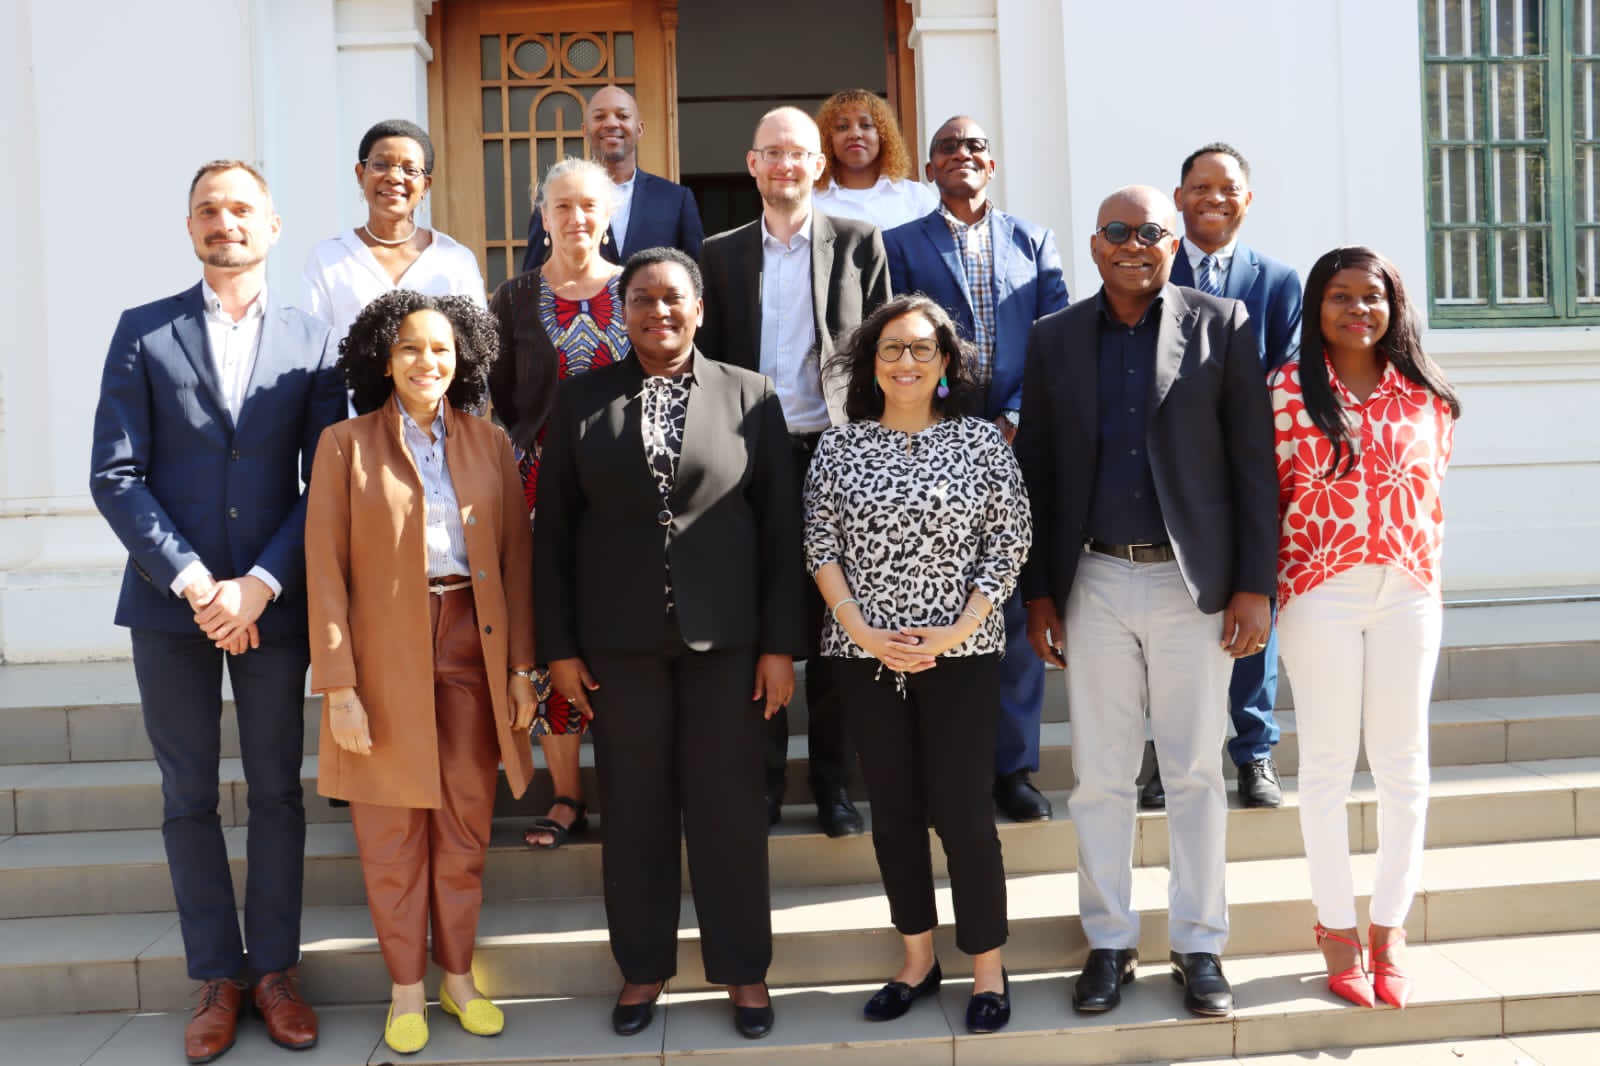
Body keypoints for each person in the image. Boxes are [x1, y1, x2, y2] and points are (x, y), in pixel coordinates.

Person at [89, 160, 345, 1064]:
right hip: (171, 610)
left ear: (272, 226)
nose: (224, 221)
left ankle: (275, 969)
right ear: (189, 225)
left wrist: (261, 585)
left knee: (277, 791)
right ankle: (217, 976)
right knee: (188, 796)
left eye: (241, 209)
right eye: (208, 209)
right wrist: (200, 583)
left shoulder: (316, 341)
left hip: (273, 605)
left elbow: (327, 481)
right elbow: (114, 474)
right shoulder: (142, 332)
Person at [1015, 186, 1277, 1020]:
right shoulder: (1054, 338)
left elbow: (1251, 464)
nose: (1135, 245)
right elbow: (1041, 474)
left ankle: (1200, 946)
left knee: (1198, 771)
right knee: (1100, 774)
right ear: (1095, 247)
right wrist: (1041, 593)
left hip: (1187, 584)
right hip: (1091, 579)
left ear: (1173, 242)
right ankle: (1111, 942)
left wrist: (1254, 584)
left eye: (1150, 232)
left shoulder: (1222, 323)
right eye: (1118, 233)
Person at [534, 247, 802, 1041]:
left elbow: (780, 533)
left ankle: (743, 970)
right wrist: (560, 649)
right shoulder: (580, 399)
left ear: (700, 308)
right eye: (643, 299)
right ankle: (643, 966)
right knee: (637, 812)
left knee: (729, 813)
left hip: (728, 645)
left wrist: (780, 645)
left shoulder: (750, 395)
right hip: (618, 646)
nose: (659, 312)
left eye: (673, 299)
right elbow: (552, 538)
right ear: (623, 311)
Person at [304, 290, 536, 1055]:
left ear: (462, 357)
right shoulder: (344, 444)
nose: (426, 361)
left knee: (466, 823)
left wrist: (521, 671)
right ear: (384, 357)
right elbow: (326, 571)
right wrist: (338, 684)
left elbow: (515, 564)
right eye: (410, 347)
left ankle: (458, 977)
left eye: (440, 348)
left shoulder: (490, 443)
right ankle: (406, 987)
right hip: (383, 654)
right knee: (391, 831)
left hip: (474, 641)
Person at [805, 294, 1029, 1034]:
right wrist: (863, 631)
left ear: (945, 364)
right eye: (891, 349)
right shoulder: (839, 447)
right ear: (872, 364)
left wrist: (956, 626)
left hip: (961, 655)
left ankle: (988, 967)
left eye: (921, 349)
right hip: (863, 656)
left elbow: (1009, 542)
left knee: (964, 814)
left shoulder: (981, 443)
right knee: (895, 814)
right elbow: (821, 546)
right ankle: (916, 959)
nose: (906, 361)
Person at [1273, 247, 1459, 1009]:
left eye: (1371, 296)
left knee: (1403, 768)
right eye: (1340, 296)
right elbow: (1267, 493)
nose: (1357, 309)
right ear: (1317, 306)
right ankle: (1335, 925)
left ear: (1393, 304)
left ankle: (1390, 928)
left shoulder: (1427, 394)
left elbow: (1432, 493)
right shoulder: (1283, 391)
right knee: (1323, 767)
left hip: (1409, 590)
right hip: (1321, 588)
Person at [698, 105, 891, 837]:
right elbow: (704, 363)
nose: (784, 165)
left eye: (798, 154)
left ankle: (835, 786)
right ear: (752, 165)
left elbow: (881, 347)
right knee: (761, 622)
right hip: (746, 457)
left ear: (819, 166)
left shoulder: (859, 241)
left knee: (838, 629)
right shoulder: (718, 254)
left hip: (833, 449)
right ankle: (765, 781)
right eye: (771, 153)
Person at [882, 115, 1069, 824]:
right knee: (940, 605)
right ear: (930, 168)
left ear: (993, 164)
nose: (963, 155)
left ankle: (1014, 769)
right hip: (937, 446)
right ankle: (953, 768)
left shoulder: (1034, 241)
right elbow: (897, 339)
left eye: (976, 146)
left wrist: (1015, 414)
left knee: (1013, 605)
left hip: (1021, 448)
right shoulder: (901, 245)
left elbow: (1054, 336)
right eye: (949, 148)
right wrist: (948, 420)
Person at [1141, 141, 1306, 813]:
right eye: (1199, 187)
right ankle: (1164, 754)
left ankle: (1254, 754)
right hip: (1162, 475)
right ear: (1178, 198)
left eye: (1227, 187)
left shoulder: (1277, 281)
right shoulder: (1150, 269)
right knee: (1162, 619)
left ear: (1247, 199)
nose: (1214, 198)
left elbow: (1286, 374)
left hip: (1244, 473)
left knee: (1249, 605)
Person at [490, 157, 630, 850]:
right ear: (542, 216)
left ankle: (634, 790)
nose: (576, 218)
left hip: (628, 491)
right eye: (562, 206)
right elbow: (491, 399)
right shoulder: (513, 299)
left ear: (608, 216)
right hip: (538, 490)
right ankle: (568, 796)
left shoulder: (642, 288)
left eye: (589, 207)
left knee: (623, 629)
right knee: (551, 639)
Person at [302, 119, 486, 346]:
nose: (395, 177)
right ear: (361, 174)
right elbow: (313, 347)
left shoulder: (455, 261)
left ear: (426, 185)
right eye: (381, 165)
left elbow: (474, 348)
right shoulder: (328, 258)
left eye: (410, 170)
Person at [522, 85, 704, 270]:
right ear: (585, 130)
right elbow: (534, 276)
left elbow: (695, 276)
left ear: (639, 129)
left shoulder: (676, 199)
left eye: (623, 116)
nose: (611, 123)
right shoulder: (555, 199)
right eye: (600, 117)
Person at [812, 89, 937, 231]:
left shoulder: (915, 196)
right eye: (842, 127)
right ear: (827, 139)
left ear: (884, 136)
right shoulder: (810, 201)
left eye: (866, 125)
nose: (855, 134)